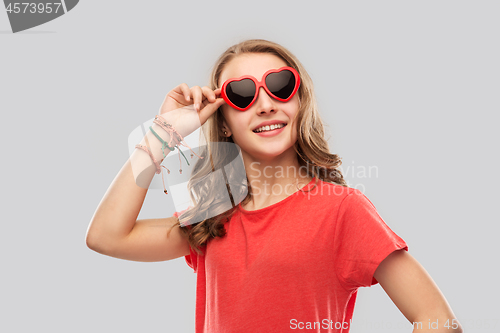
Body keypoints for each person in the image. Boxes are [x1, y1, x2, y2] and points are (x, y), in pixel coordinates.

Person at [86, 39, 463, 333]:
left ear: (300, 102)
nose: (265, 104)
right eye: (242, 94)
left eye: (280, 86)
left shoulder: (341, 209)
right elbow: (106, 236)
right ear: (224, 120)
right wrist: (163, 133)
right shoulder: (210, 217)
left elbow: (438, 319)